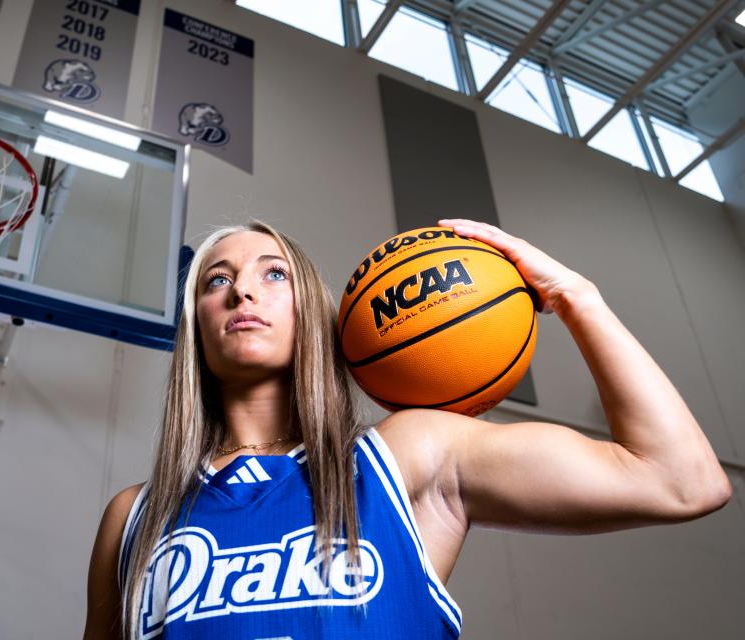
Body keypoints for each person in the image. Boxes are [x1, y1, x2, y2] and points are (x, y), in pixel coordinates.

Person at [83, 219, 731, 640]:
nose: (241, 292)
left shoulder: (408, 455)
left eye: (271, 272)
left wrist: (574, 296)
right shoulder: (135, 517)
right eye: (216, 281)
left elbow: (681, 480)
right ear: (197, 325)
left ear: (315, 309)